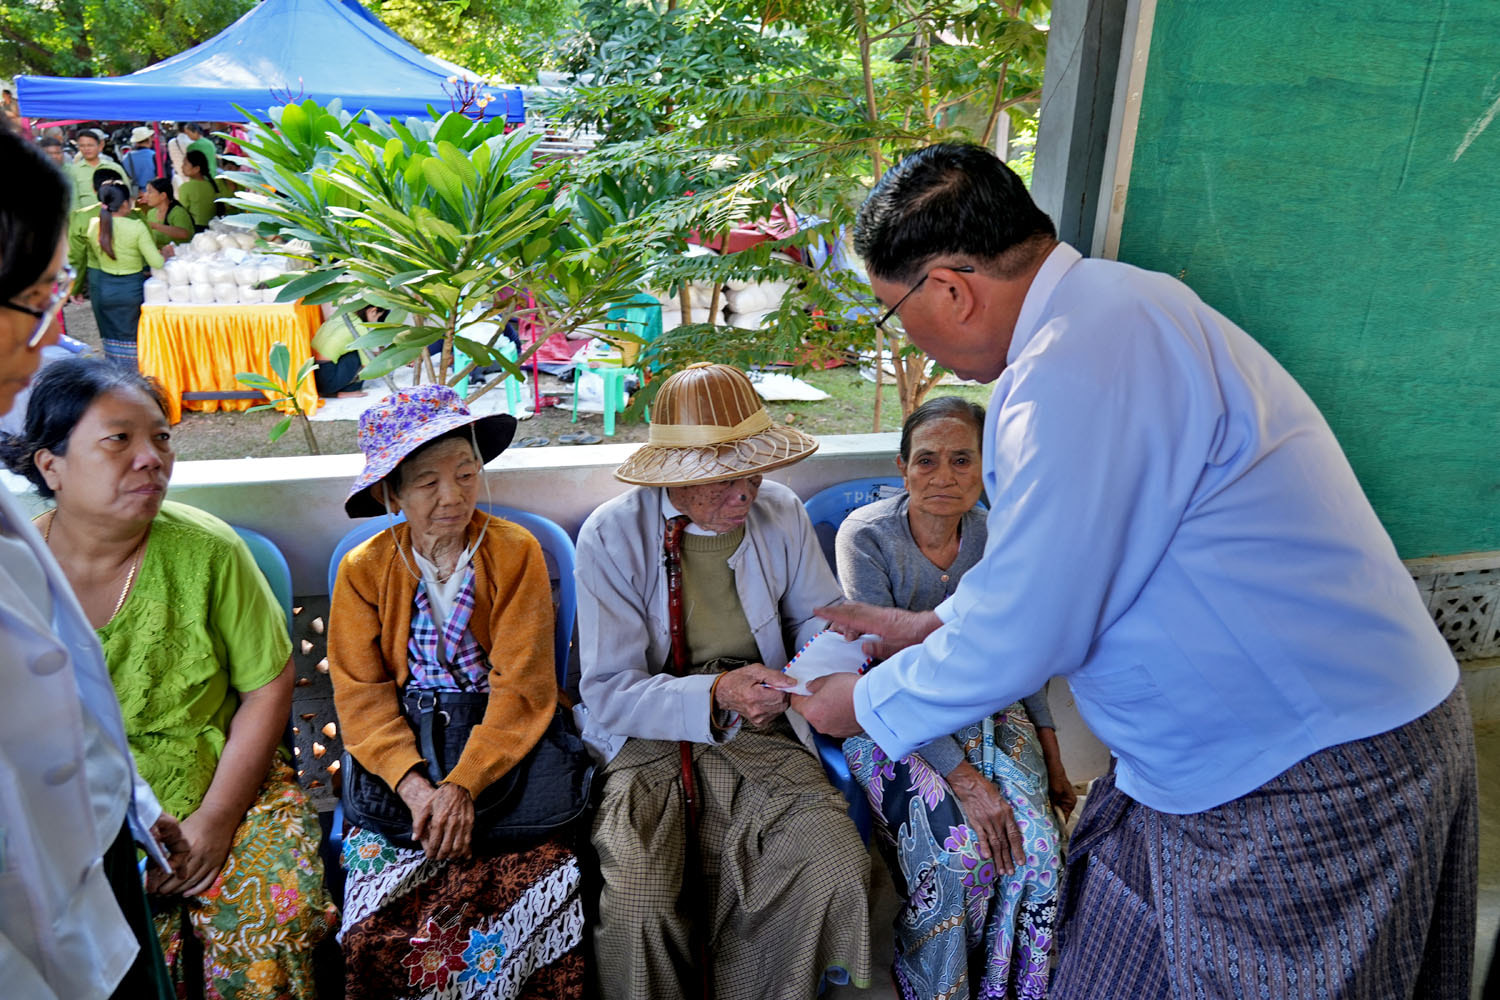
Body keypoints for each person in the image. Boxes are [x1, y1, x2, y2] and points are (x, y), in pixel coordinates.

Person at [793, 143, 1478, 999]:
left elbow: (1030, 626)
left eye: (892, 313)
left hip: (1308, 768)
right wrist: (927, 625)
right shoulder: (1115, 313)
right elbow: (1065, 569)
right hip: (1206, 772)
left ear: (949, 289)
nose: (911, 342)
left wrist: (858, 704)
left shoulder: (1077, 366)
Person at [6, 356, 338, 997]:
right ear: (51, 465)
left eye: (161, 437)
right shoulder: (13, 574)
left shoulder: (208, 551)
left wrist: (214, 822)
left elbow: (268, 686)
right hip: (82, 811)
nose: (151, 457)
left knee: (270, 930)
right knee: (112, 956)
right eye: (117, 439)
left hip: (227, 788)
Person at [576, 362, 872, 1000]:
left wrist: (819, 680)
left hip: (764, 724)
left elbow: (823, 631)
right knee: (640, 900)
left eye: (752, 472)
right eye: (722, 478)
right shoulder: (612, 534)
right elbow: (608, 689)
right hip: (647, 736)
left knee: (831, 862)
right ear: (675, 478)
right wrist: (710, 694)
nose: (745, 493)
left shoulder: (780, 511)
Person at [0, 123, 187, 1000]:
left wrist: (136, 808)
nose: (49, 339)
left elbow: (64, 707)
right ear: (52, 465)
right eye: (37, 302)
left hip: (91, 877)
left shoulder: (197, 552)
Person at [327, 384, 585, 999]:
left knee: (545, 886)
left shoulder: (515, 551)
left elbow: (523, 686)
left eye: (466, 474)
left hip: (502, 744)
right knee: (374, 924)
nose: (453, 496)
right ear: (391, 493)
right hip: (403, 755)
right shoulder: (363, 570)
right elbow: (360, 696)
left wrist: (463, 784)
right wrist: (416, 786)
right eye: (427, 483)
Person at [835, 395, 1069, 1000]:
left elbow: (1022, 654)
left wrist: (1051, 749)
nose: (944, 477)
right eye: (927, 461)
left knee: (1039, 853)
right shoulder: (867, 537)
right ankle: (935, 986)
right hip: (889, 714)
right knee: (958, 854)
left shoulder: (997, 535)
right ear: (903, 467)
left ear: (986, 468)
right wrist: (966, 779)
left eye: (963, 460)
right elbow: (881, 667)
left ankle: (1007, 988)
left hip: (991, 707)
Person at [69, 181, 166, 369]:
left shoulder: (93, 226)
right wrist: (165, 254)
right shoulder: (136, 227)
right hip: (131, 292)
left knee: (112, 341)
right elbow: (157, 263)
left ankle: (118, 377)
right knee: (135, 341)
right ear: (124, 204)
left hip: (106, 291)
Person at [65, 129, 126, 209]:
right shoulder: (73, 171)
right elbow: (73, 202)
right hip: (86, 218)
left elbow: (126, 194)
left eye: (90, 145)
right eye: (82, 146)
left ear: (100, 146)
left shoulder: (114, 167)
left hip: (114, 217)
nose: (86, 149)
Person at [136, 177, 193, 249]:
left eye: (150, 192)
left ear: (163, 196)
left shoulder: (178, 212)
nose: (146, 195)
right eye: (146, 191)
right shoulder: (151, 213)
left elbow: (184, 234)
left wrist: (155, 226)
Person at [178, 148, 218, 230]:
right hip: (214, 226)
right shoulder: (213, 185)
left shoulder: (186, 187)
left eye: (185, 164)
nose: (182, 167)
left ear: (196, 169)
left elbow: (182, 212)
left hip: (195, 228)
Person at [121, 126, 156, 193]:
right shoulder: (154, 155)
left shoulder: (126, 157)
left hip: (136, 193)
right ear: (149, 140)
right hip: (153, 192)